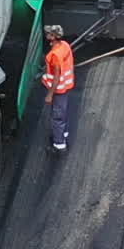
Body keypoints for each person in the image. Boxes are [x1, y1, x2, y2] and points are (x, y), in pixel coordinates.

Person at [41, 23, 75, 152]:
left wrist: (50, 94)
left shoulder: (54, 55)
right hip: (66, 86)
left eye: (49, 34)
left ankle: (59, 144)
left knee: (57, 116)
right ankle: (63, 133)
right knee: (63, 111)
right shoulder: (65, 45)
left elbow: (56, 76)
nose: (46, 35)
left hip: (58, 89)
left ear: (53, 37)